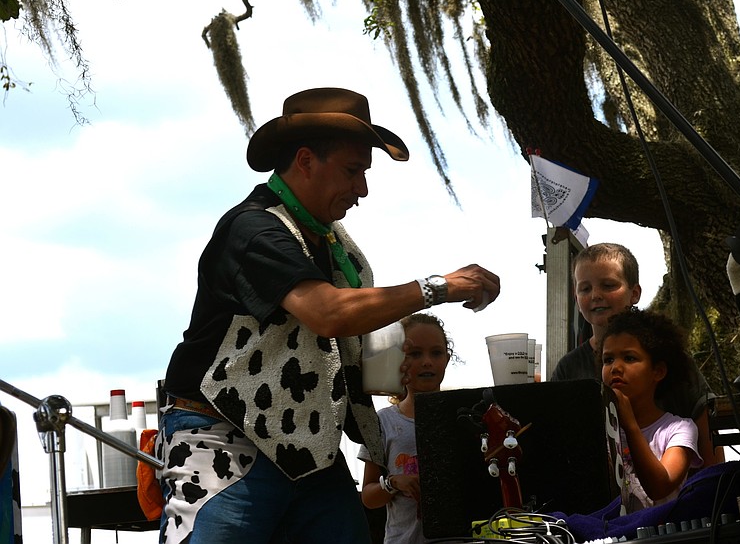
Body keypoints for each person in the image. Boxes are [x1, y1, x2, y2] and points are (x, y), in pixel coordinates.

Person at [156, 88, 501, 544]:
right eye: (353, 171)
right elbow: (328, 313)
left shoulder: (332, 242)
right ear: (305, 161)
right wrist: (438, 287)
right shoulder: (254, 227)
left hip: (307, 448)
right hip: (225, 437)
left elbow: (342, 330)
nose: (362, 188)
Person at [549, 243, 723, 466]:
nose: (595, 295)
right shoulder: (569, 368)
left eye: (608, 285)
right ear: (576, 298)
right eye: (585, 289)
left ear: (635, 293)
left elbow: (710, 446)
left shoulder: (670, 357)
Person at [357, 313, 453, 543]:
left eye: (436, 353)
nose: (427, 361)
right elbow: (369, 497)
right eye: (415, 353)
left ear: (447, 359)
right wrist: (392, 483)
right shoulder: (383, 423)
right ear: (398, 360)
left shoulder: (463, 416)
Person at [599, 308, 703, 512]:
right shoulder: (600, 431)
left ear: (658, 371)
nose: (615, 368)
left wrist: (630, 425)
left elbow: (660, 487)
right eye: (608, 360)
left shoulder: (679, 430)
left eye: (629, 358)